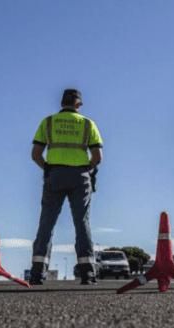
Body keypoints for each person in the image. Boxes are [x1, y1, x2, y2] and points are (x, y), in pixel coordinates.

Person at [29, 89, 103, 285]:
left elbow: (36, 154)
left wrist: (48, 169)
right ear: (79, 104)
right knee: (82, 222)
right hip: (80, 176)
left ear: (62, 103)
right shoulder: (88, 124)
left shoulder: (48, 122)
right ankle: (87, 273)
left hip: (54, 175)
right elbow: (98, 157)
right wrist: (87, 169)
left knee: (47, 222)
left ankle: (37, 273)